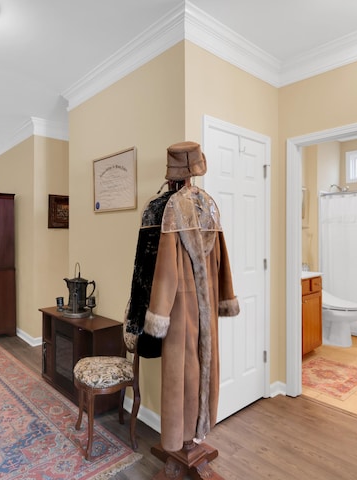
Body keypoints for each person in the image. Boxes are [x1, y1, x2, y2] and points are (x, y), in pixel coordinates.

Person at [144, 141, 240, 453]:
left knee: (180, 375)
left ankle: (182, 439)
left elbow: (166, 269)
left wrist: (157, 313)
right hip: (205, 304)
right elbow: (224, 260)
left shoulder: (173, 207)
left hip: (180, 306)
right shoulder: (209, 205)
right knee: (200, 366)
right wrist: (225, 294)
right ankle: (193, 434)